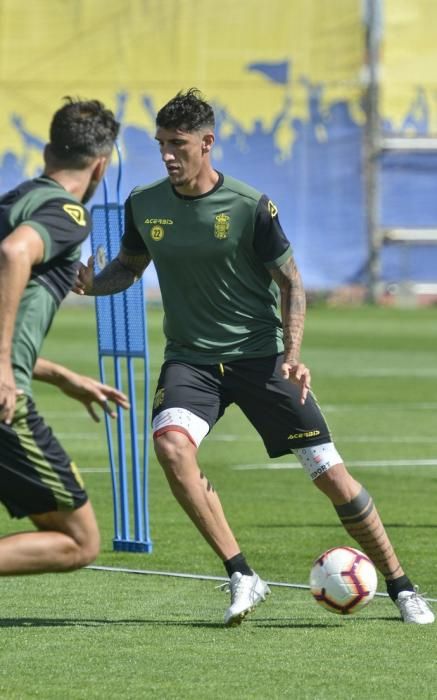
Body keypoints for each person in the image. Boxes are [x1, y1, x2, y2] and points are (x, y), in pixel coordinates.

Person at [75, 88, 434, 626]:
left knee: (330, 475)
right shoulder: (144, 205)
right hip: (191, 362)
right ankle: (242, 574)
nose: (168, 154)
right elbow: (129, 266)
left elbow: (292, 283)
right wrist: (93, 284)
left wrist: (292, 355)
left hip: (261, 358)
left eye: (179, 144)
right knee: (172, 449)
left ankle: (402, 586)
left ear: (207, 142)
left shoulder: (250, 207)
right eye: (161, 145)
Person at [0, 96, 128, 576]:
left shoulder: (12, 202)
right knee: (78, 541)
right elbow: (15, 254)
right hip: (5, 400)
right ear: (100, 166)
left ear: (49, 152)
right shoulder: (69, 214)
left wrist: (59, 375)